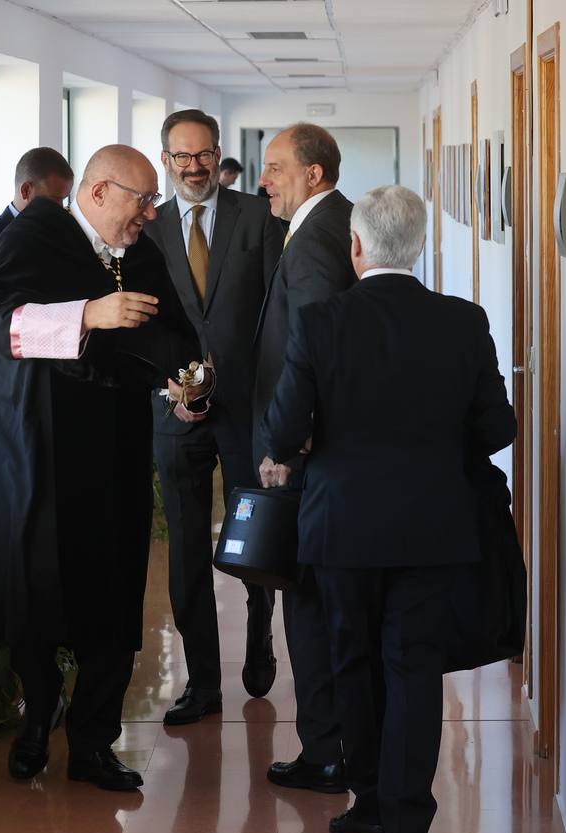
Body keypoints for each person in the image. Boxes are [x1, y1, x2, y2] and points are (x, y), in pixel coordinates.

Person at [260, 185, 516, 833]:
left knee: (355, 660)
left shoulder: (321, 323)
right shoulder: (464, 322)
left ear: (356, 248)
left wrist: (317, 442)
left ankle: (369, 805)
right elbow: (498, 426)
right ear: (421, 246)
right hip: (434, 526)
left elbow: (283, 432)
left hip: (342, 527)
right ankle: (411, 827)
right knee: (414, 667)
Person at [0, 145, 204, 791]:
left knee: (114, 595)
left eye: (152, 200)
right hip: (36, 442)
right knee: (34, 589)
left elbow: (169, 331)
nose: (149, 212)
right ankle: (37, 716)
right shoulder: (34, 234)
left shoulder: (139, 248)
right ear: (96, 193)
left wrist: (184, 380)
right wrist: (88, 314)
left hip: (114, 445)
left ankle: (93, 743)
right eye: (139, 199)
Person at [144, 110, 285, 726]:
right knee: (187, 548)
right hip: (177, 412)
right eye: (182, 156)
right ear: (167, 159)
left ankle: (260, 639)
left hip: (245, 411)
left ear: (218, 154)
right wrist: (165, 384)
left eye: (203, 155)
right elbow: (141, 322)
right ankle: (203, 681)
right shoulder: (146, 232)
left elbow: (279, 312)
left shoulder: (256, 217)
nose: (194, 166)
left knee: (255, 535)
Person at [252, 123, 356, 793]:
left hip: (312, 454)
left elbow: (313, 347)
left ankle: (324, 750)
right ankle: (338, 742)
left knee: (309, 604)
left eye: (276, 168)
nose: (265, 179)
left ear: (313, 175)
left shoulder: (316, 239)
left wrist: (289, 443)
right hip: (332, 448)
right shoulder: (333, 225)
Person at [0, 147, 75, 356]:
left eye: (64, 200)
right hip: (0, 376)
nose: (60, 208)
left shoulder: (62, 236)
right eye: (54, 200)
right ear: (26, 191)